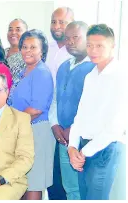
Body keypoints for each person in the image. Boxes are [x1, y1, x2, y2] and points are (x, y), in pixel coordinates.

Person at [68, 24, 127, 200]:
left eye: (99, 45)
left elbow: (115, 126)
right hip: (83, 148)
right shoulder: (91, 76)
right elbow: (80, 116)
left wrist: (82, 153)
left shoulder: (121, 75)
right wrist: (72, 147)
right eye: (90, 45)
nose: (93, 50)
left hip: (105, 149)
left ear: (112, 47)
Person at [48, 21, 95, 200]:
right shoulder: (63, 67)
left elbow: (92, 107)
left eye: (76, 37)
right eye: (67, 38)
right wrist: (54, 125)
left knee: (85, 187)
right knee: (70, 187)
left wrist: (74, 129)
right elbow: (55, 100)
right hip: (63, 139)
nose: (71, 42)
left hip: (84, 139)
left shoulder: (94, 68)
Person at [10, 29, 54, 200]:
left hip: (37, 131)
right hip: (24, 130)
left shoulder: (42, 72)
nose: (27, 51)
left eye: (33, 47)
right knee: (23, 180)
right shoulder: (24, 72)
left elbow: (36, 109)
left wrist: (13, 125)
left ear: (42, 50)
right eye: (24, 47)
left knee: (34, 181)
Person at [46, 7, 74, 200]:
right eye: (54, 21)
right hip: (46, 119)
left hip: (67, 123)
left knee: (68, 178)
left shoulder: (76, 52)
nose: (57, 26)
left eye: (62, 22)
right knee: (51, 175)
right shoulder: (47, 47)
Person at [5, 19, 28, 105]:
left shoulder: (27, 57)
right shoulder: (1, 53)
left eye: (18, 29)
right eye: (10, 29)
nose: (13, 32)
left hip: (17, 106)